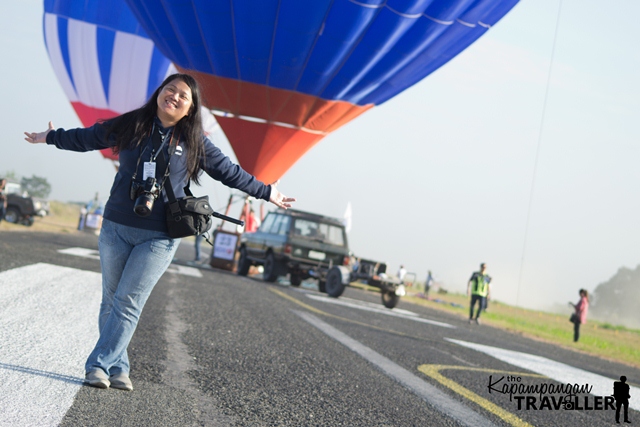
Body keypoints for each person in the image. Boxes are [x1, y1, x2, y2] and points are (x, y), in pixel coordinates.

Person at [24, 73, 296, 391]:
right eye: (170, 90)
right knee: (111, 301)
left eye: (184, 96)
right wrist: (51, 136)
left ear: (190, 109)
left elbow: (229, 172)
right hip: (116, 227)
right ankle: (118, 367)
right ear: (159, 93)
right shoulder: (131, 125)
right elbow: (87, 138)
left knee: (128, 302)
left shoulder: (195, 142)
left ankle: (97, 364)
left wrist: (267, 192)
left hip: (159, 235)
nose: (175, 97)